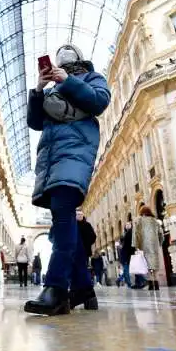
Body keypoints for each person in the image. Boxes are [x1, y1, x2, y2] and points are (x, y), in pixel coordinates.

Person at [23, 44, 110, 316]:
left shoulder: (91, 78)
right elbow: (35, 122)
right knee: (62, 225)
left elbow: (99, 101)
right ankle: (84, 289)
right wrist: (38, 89)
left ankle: (56, 289)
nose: (63, 54)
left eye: (68, 51)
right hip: (51, 160)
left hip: (75, 154)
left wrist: (67, 80)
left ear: (79, 57)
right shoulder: (52, 90)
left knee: (61, 222)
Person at [134, 206, 164, 291]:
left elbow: (137, 235)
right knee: (154, 266)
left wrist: (137, 247)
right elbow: (161, 234)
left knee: (148, 266)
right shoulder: (156, 222)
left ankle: (151, 284)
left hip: (145, 247)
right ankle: (156, 283)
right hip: (155, 246)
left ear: (142, 213)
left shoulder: (139, 222)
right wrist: (160, 243)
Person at [119, 222, 135, 288]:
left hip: (129, 254)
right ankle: (129, 283)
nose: (128, 226)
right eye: (126, 225)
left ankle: (119, 280)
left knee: (127, 269)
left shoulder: (131, 233)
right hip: (125, 254)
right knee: (126, 269)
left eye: (129, 224)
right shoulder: (124, 234)